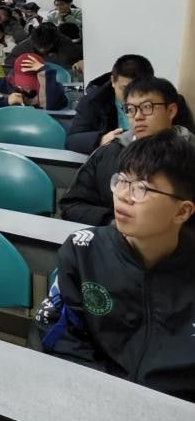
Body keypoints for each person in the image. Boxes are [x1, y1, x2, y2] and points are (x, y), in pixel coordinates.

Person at [32, 131, 195, 402]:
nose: (123, 196)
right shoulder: (83, 251)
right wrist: (106, 394)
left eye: (142, 188)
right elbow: (57, 332)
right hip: (95, 396)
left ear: (182, 211)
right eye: (121, 181)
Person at [59, 77, 195, 226]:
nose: (138, 116)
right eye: (131, 109)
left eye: (147, 107)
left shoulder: (189, 155)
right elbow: (72, 205)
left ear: (171, 111)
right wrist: (114, 222)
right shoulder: (110, 152)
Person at [65, 56, 182, 155]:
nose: (130, 95)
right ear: (113, 81)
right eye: (125, 88)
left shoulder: (168, 100)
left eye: (146, 107)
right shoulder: (94, 100)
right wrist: (100, 139)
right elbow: (72, 141)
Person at [0, 52, 69, 110]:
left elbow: (51, 106)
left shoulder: (53, 87)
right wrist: (6, 101)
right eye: (22, 81)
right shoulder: (3, 83)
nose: (25, 87)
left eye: (31, 82)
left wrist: (45, 72)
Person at [6, 22, 83, 70]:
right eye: (39, 47)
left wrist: (42, 67)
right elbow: (9, 63)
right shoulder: (25, 45)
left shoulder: (66, 44)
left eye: (46, 47)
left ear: (54, 42)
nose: (42, 50)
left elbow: (66, 66)